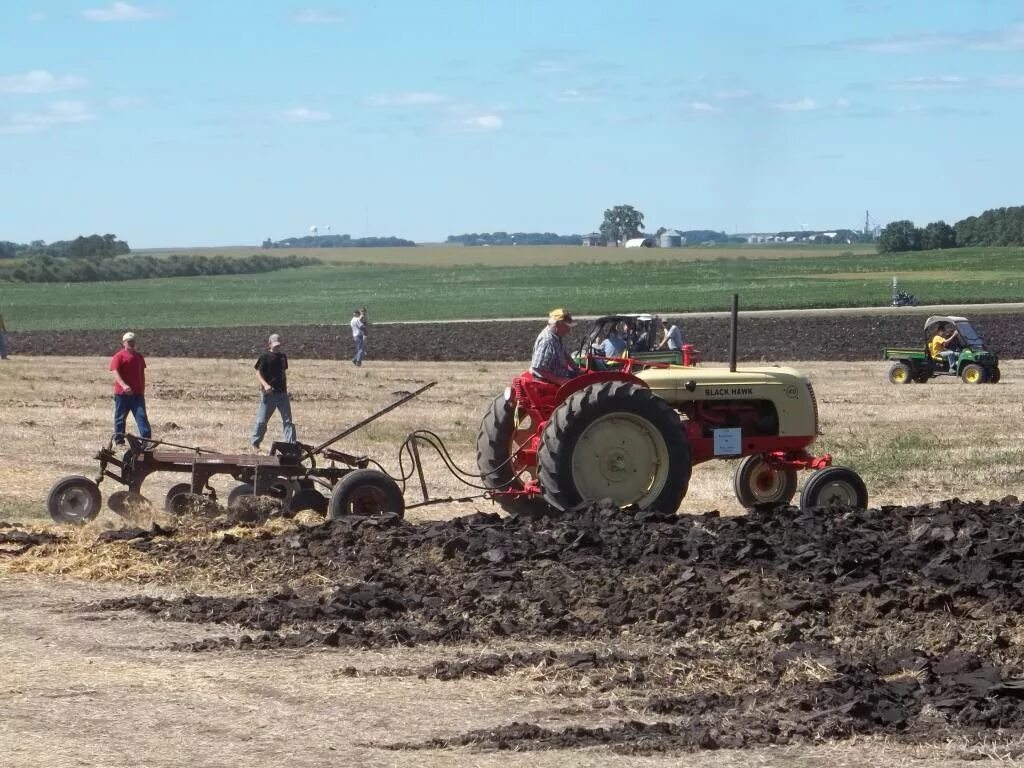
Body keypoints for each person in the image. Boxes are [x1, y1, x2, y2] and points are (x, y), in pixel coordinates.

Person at [251, 333, 297, 450]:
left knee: (288, 421)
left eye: (278, 345)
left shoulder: (283, 357)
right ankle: (255, 443)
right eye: (275, 345)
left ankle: (291, 445)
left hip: (282, 394)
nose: (277, 347)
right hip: (269, 394)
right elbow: (258, 372)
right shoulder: (265, 356)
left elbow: (282, 371)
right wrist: (265, 385)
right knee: (262, 421)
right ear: (269, 344)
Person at [109, 331, 152, 447]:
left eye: (133, 341)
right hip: (122, 395)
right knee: (120, 418)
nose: (131, 344)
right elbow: (115, 372)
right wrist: (123, 385)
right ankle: (119, 441)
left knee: (141, 416)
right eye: (129, 342)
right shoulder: (119, 356)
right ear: (124, 343)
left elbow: (141, 374)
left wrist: (142, 389)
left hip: (137, 395)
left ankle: (146, 441)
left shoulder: (139, 357)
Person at [530, 308, 579, 386]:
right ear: (558, 324)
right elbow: (538, 368)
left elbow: (564, 354)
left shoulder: (557, 337)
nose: (569, 330)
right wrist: (560, 380)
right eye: (567, 326)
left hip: (562, 375)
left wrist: (577, 369)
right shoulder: (547, 341)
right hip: (549, 382)